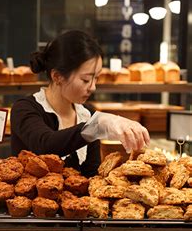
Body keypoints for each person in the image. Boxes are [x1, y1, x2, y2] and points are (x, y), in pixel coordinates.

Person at [11, 30, 150, 177]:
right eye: (85, 80)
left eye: (96, 78)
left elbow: (91, 174)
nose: (93, 87)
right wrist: (97, 125)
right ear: (57, 76)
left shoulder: (86, 113)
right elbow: (46, 144)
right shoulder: (24, 108)